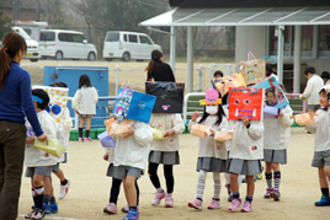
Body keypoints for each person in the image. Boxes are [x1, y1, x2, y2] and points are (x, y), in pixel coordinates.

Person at [0, 32, 47, 220]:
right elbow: (28, 106)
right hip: (13, 129)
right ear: (20, 52)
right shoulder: (21, 74)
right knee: (12, 178)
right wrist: (39, 132)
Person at [187, 89, 228, 210]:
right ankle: (198, 198)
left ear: (219, 105)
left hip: (218, 152)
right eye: (208, 105)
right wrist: (193, 120)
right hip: (205, 152)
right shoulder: (202, 119)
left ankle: (216, 199)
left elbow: (225, 134)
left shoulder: (223, 120)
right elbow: (193, 130)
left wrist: (215, 133)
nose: (211, 107)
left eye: (213, 104)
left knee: (216, 176)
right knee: (202, 174)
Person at [24, 89, 59, 220]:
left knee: (37, 180)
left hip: (44, 156)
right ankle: (37, 207)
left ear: (34, 102)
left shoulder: (46, 118)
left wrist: (35, 139)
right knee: (33, 183)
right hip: (32, 155)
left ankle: (41, 209)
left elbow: (52, 137)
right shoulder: (28, 116)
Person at [111, 118, 153, 220]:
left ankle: (134, 210)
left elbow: (147, 139)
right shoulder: (120, 121)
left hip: (137, 158)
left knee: (130, 182)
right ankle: (131, 208)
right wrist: (114, 126)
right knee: (125, 183)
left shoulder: (142, 123)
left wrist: (134, 131)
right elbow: (113, 136)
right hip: (122, 157)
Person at [227, 115, 264, 212]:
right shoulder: (234, 118)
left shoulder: (257, 119)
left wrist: (248, 125)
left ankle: (248, 201)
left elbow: (258, 134)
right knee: (233, 175)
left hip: (251, 151)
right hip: (236, 150)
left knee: (250, 177)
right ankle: (235, 198)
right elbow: (228, 130)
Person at [148, 114, 185, 208]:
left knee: (168, 172)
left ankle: (169, 195)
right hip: (155, 145)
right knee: (151, 170)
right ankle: (159, 191)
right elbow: (147, 125)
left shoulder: (174, 114)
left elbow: (181, 126)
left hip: (170, 145)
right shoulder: (153, 113)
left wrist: (172, 130)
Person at [263, 89, 293, 201]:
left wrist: (282, 115)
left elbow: (288, 122)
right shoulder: (262, 105)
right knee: (267, 166)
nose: (270, 99)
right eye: (268, 97)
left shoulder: (285, 106)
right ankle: (269, 188)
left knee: (275, 165)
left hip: (278, 140)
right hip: (266, 140)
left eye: (272, 97)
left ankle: (276, 189)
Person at [308, 86, 330, 206]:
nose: (322, 99)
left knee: (328, 170)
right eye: (321, 96)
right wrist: (307, 122)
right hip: (319, 146)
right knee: (321, 173)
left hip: (329, 146)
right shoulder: (319, 112)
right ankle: (325, 196)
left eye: (325, 96)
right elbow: (312, 127)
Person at [48, 82, 71, 200]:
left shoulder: (64, 109)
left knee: (53, 167)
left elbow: (68, 125)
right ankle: (47, 195)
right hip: (46, 140)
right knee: (44, 168)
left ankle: (64, 181)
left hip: (58, 142)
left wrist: (58, 124)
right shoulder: (46, 107)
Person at [72, 74, 98, 142]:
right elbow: (96, 99)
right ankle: (87, 137)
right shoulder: (93, 89)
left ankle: (80, 137)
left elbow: (75, 100)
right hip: (90, 109)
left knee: (81, 122)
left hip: (82, 109)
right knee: (88, 123)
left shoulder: (80, 90)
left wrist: (76, 108)